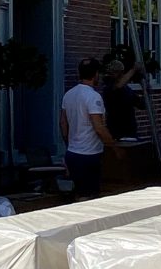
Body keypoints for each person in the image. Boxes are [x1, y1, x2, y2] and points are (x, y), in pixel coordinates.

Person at [60, 57, 123, 199]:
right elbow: (99, 127)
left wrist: (68, 145)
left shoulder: (68, 95)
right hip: (89, 155)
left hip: (73, 153)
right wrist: (114, 148)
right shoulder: (93, 97)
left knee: (79, 194)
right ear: (96, 74)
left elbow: (63, 124)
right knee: (90, 197)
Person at [100, 59, 145, 140]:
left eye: (115, 72)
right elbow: (118, 86)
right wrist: (134, 69)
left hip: (130, 133)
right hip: (116, 133)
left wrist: (146, 91)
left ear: (121, 72)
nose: (112, 75)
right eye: (111, 73)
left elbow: (141, 105)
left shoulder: (127, 90)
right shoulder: (108, 89)